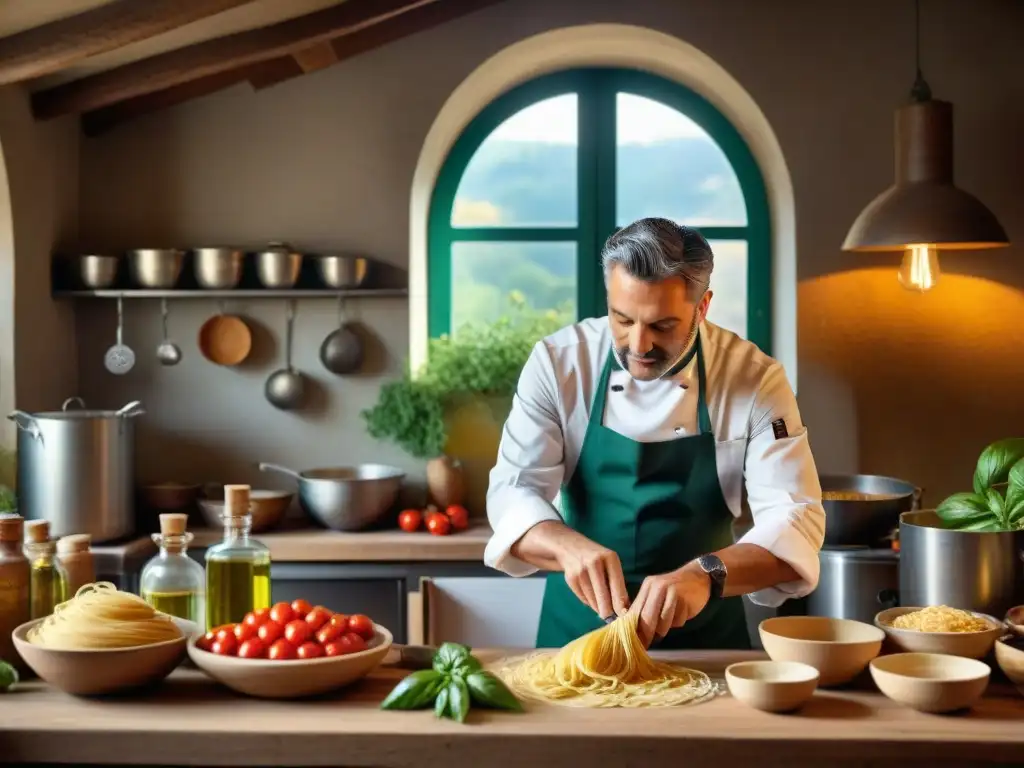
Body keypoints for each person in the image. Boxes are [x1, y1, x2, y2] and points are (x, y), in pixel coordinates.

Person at [483, 218, 826, 649]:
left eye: (662, 326)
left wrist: (706, 574)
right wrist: (568, 548)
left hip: (705, 645)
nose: (638, 345)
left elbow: (794, 518)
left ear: (702, 309)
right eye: (622, 319)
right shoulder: (558, 364)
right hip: (576, 639)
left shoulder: (754, 379)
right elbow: (513, 491)